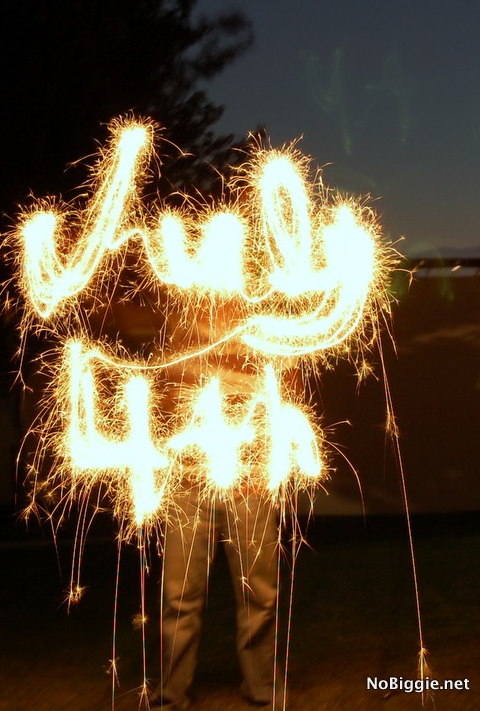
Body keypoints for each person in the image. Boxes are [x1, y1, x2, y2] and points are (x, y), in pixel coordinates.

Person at [151, 300, 291, 710]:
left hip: (248, 484)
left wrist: (264, 461)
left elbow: (286, 396)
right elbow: (162, 400)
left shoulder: (263, 330)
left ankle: (262, 689)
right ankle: (170, 694)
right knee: (179, 595)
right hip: (188, 485)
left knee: (260, 595)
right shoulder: (178, 331)